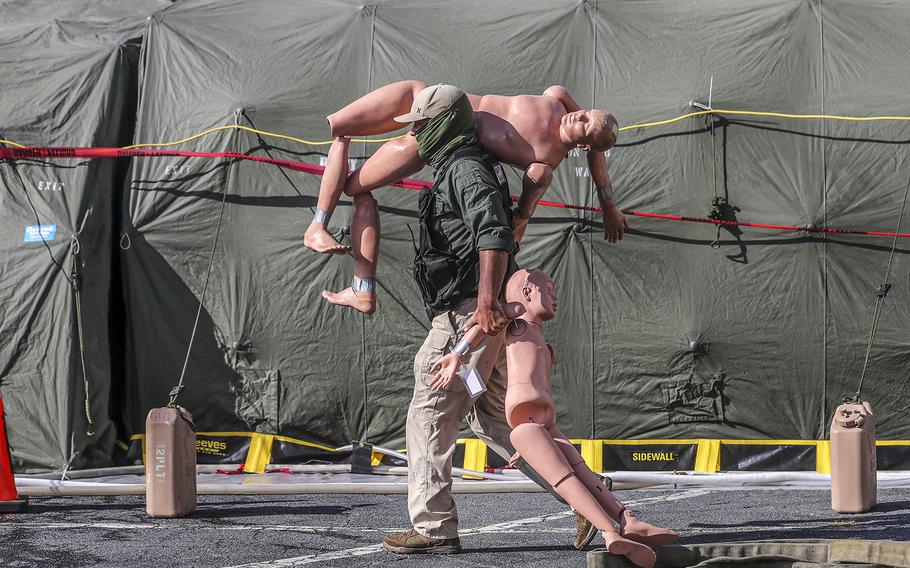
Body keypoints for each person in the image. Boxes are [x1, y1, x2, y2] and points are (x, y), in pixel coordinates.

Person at [381, 84, 579, 555]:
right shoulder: (466, 166)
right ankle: (586, 497)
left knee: (429, 409)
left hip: (469, 315)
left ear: (444, 125)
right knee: (495, 419)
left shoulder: (466, 170)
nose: (416, 135)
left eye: (421, 126)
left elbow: (494, 235)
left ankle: (433, 528)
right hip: (476, 311)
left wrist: (487, 304)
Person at [307, 80, 627, 314]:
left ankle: (355, 277)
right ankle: (322, 232)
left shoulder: (544, 162)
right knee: (343, 124)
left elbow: (530, 204)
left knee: (356, 185)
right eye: (587, 113)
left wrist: (606, 206)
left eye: (586, 126)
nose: (580, 116)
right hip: (444, 102)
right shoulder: (558, 99)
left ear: (584, 145)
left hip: (442, 133)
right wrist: (608, 206)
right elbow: (594, 146)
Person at [429, 269, 678, 567]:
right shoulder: (517, 319)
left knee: (584, 473)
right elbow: (483, 322)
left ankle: (627, 518)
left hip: (545, 423)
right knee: (566, 479)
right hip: (526, 424)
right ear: (528, 292)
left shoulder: (537, 338)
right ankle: (610, 532)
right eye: (547, 289)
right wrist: (457, 354)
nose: (554, 297)